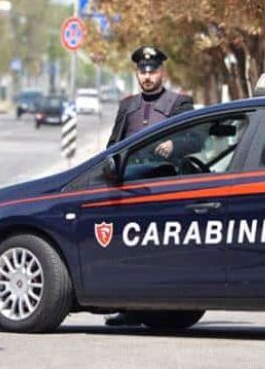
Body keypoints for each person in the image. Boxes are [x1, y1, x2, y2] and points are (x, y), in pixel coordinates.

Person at [104, 46, 194, 327]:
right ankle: (128, 310)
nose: (147, 76)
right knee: (126, 253)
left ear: (162, 72)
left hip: (164, 191)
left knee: (160, 255)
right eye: (142, 72)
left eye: (152, 71)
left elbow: (197, 140)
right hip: (130, 190)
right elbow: (112, 147)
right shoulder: (126, 106)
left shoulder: (179, 103)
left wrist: (175, 144)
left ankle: (165, 309)